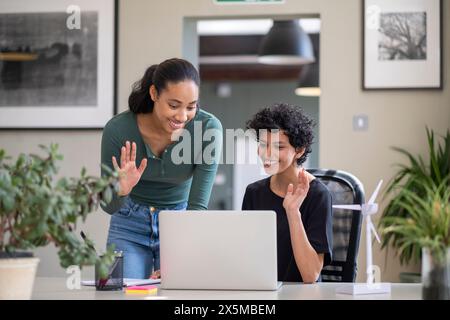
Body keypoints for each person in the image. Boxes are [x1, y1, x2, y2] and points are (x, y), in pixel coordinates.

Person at [101, 58, 222, 279]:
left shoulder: (207, 129)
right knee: (121, 295)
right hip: (128, 223)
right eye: (174, 106)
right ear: (154, 93)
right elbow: (108, 206)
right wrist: (121, 189)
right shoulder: (118, 130)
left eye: (191, 107)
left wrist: (181, 253)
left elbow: (198, 206)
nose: (182, 116)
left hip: (180, 223)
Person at [242, 103, 332, 283]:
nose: (267, 154)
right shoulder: (253, 193)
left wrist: (293, 213)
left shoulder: (318, 195)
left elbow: (310, 275)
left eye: (278, 147)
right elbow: (247, 259)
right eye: (262, 144)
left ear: (299, 150)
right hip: (264, 292)